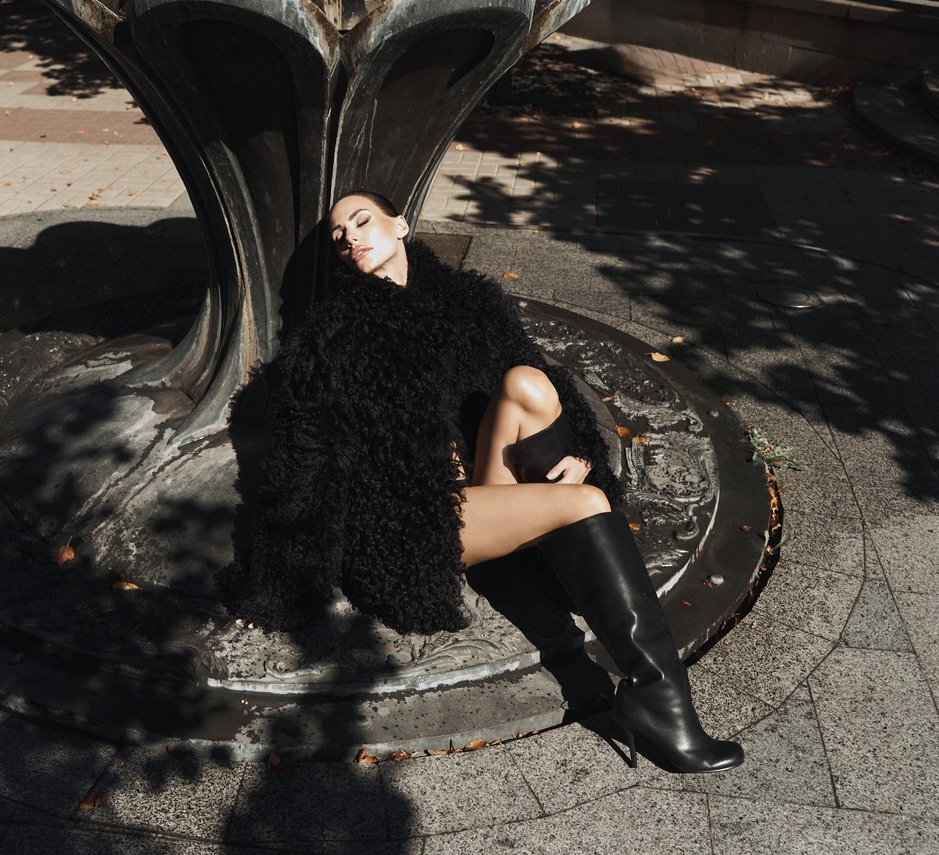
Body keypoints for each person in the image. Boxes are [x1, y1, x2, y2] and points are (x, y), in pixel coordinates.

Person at [220, 191, 743, 773]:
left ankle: (560, 547)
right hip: (420, 521)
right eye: (339, 237)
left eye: (362, 221)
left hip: (483, 484)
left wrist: (582, 454)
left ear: (401, 224)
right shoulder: (332, 336)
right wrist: (276, 584)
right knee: (587, 503)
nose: (350, 238)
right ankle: (658, 702)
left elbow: (549, 386)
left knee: (528, 382)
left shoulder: (468, 301)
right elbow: (299, 465)